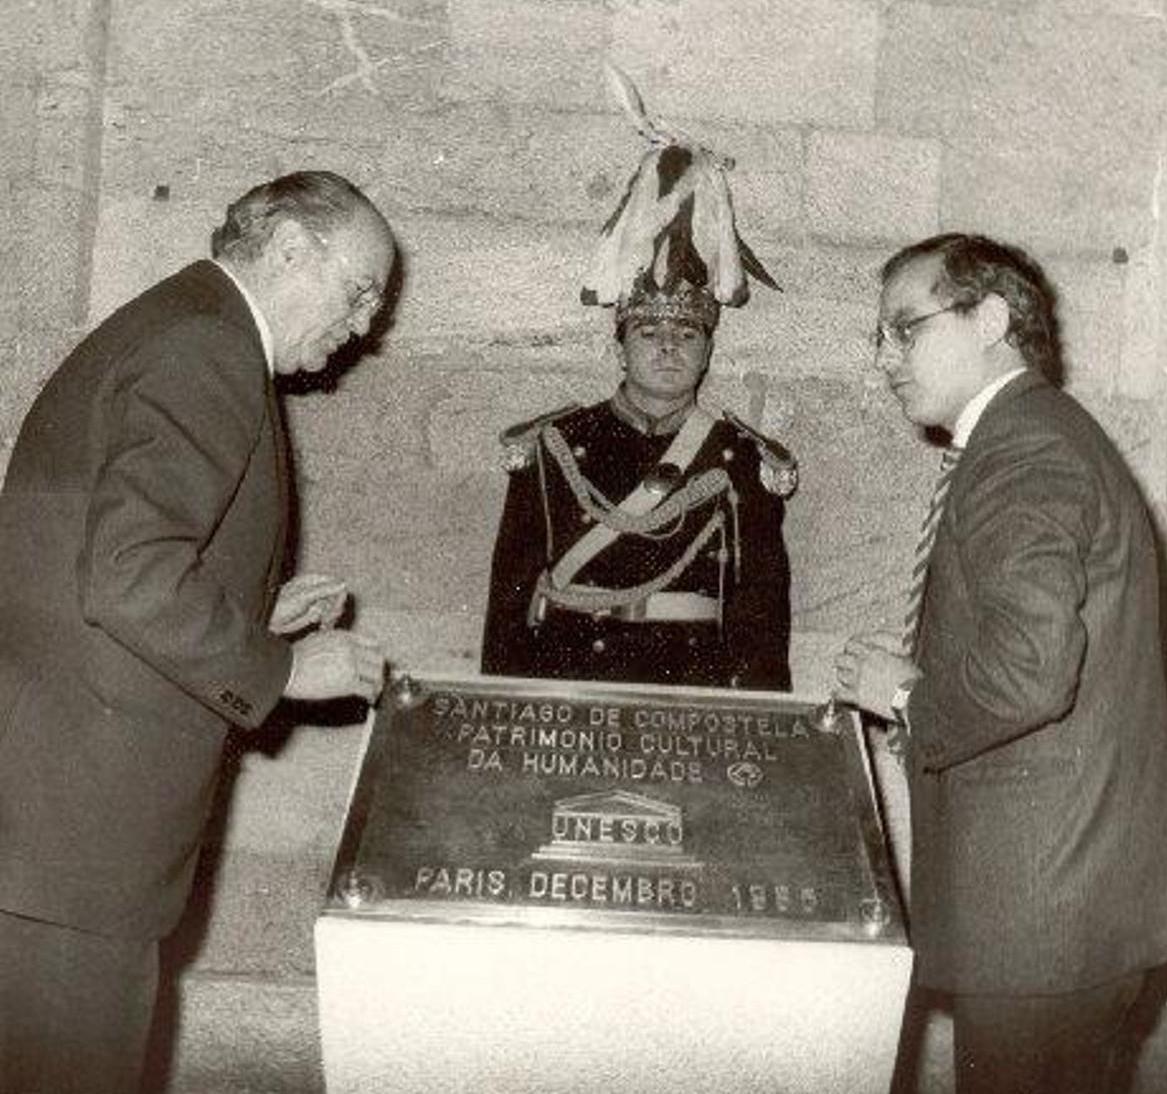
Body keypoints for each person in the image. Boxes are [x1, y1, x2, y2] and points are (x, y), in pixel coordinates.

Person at [0, 170, 396, 1093]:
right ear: (292, 247)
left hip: (50, 828)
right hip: (78, 844)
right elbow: (132, 577)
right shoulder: (209, 349)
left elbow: (99, 568)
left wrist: (251, 614)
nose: (366, 324)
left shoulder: (175, 326)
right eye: (360, 290)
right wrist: (282, 666)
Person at [832, 233, 1167, 1094]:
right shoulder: (1033, 434)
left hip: (1044, 906)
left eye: (905, 329)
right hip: (1069, 897)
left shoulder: (1022, 449)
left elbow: (1032, 668)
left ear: (990, 318)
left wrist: (898, 690)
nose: (886, 358)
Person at [481, 66, 793, 690]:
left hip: (690, 686)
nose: (669, 348)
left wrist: (757, 719)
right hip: (564, 676)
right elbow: (511, 594)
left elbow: (761, 615)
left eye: (688, 335)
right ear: (620, 346)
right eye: (649, 334)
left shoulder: (739, 460)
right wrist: (503, 700)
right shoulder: (553, 446)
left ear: (709, 349)